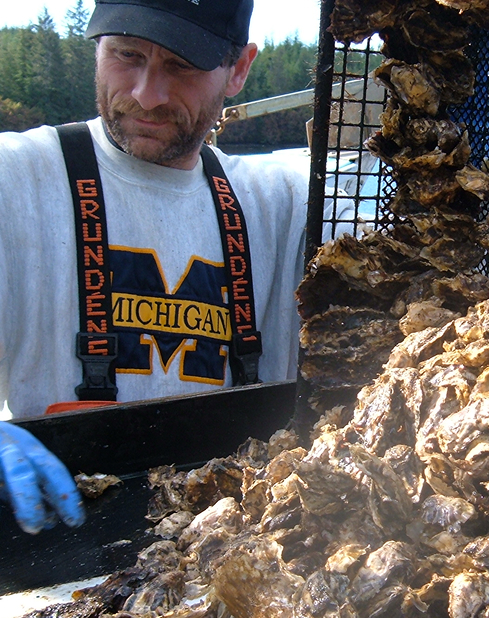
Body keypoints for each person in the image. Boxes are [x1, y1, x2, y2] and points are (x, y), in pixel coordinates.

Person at [0, 0, 313, 534]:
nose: (147, 94)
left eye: (181, 66)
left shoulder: (288, 204)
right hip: (66, 555)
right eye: (127, 55)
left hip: (238, 548)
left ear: (239, 69)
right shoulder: (16, 180)